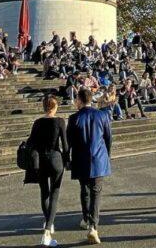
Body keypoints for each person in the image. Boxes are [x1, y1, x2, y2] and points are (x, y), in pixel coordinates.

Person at [67, 87, 112, 245]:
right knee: (96, 193)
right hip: (99, 158)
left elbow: (68, 143)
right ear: (91, 99)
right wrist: (107, 154)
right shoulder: (102, 115)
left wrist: (67, 159)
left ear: (79, 100)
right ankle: (93, 226)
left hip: (80, 159)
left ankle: (86, 218)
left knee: (84, 190)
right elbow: (108, 138)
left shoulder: (73, 118)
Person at [27, 95, 69, 247]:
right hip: (56, 159)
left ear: (44, 107)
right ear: (55, 107)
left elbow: (31, 142)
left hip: (41, 161)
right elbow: (65, 145)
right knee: (54, 195)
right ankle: (47, 230)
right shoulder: (60, 121)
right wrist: (67, 161)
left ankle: (48, 223)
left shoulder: (37, 122)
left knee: (44, 192)